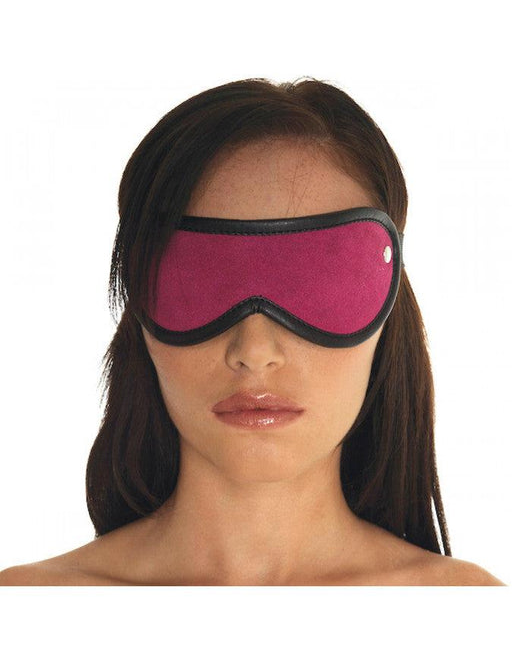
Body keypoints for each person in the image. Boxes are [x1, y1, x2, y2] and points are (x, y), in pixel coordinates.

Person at [0, 77, 505, 586]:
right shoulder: (25, 605)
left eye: (319, 284)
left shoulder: (470, 610)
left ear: (388, 303)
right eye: (197, 282)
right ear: (139, 311)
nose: (255, 351)